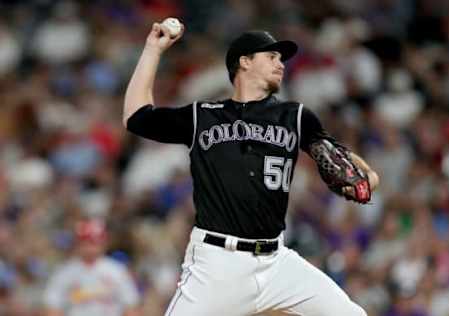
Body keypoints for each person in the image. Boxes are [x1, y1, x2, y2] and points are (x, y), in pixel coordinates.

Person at [124, 20, 379, 316]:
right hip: (218, 264)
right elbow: (136, 116)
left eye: (281, 58)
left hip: (277, 262)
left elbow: (340, 156)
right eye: (271, 56)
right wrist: (153, 50)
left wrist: (368, 176)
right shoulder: (203, 117)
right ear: (244, 62)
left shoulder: (295, 116)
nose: (280, 63)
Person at [43, 219, 140, 316]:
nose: (90, 247)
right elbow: (52, 307)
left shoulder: (117, 270)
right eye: (86, 241)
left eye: (94, 242)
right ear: (78, 243)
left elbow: (131, 306)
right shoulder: (64, 272)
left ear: (104, 243)